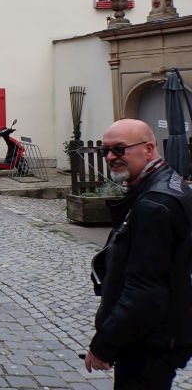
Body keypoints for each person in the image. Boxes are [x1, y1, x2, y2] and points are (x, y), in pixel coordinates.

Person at [85, 118, 192, 389]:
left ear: (148, 148)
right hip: (161, 333)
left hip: (150, 341)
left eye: (120, 149)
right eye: (105, 151)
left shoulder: (154, 204)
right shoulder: (168, 182)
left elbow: (145, 292)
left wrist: (104, 344)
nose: (111, 157)